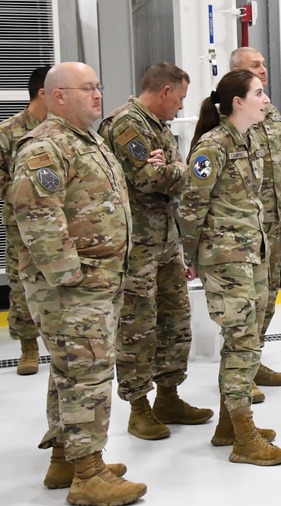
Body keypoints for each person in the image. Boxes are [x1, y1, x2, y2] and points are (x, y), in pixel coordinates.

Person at [10, 62, 146, 504]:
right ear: (58, 97)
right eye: (87, 88)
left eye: (98, 86)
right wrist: (73, 276)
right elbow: (37, 215)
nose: (98, 94)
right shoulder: (44, 148)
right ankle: (88, 476)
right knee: (88, 372)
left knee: (71, 371)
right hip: (72, 288)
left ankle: (67, 459)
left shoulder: (87, 141)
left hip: (96, 281)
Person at [178, 69, 281, 466]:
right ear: (238, 103)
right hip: (226, 260)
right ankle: (245, 438)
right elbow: (191, 207)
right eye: (259, 93)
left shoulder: (248, 140)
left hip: (252, 253)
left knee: (247, 337)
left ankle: (229, 424)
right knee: (242, 339)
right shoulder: (213, 146)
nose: (266, 98)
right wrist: (190, 256)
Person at [98, 62, 213, 440]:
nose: (180, 108)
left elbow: (173, 174)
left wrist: (174, 168)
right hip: (135, 248)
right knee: (137, 327)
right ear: (165, 92)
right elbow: (151, 179)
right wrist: (177, 170)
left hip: (165, 242)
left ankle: (168, 396)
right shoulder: (127, 124)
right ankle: (138, 407)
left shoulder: (157, 126)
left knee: (175, 322)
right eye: (179, 99)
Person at [229, 47, 281, 394]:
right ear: (238, 72)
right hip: (242, 225)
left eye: (264, 64)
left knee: (269, 293)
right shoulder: (230, 114)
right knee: (245, 300)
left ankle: (253, 361)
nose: (264, 69)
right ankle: (239, 373)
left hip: (271, 219)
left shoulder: (269, 111)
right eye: (256, 66)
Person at [1, 65, 49, 375]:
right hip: (22, 222)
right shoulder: (9, 131)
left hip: (63, 221)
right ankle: (28, 346)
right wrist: (24, 193)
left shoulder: (64, 129)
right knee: (21, 284)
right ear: (44, 93)